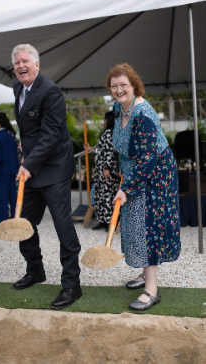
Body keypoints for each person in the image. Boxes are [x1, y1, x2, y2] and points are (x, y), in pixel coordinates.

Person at [12, 43, 81, 309]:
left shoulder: (51, 91)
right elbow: (29, 130)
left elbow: (51, 134)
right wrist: (24, 152)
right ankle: (35, 270)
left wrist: (29, 163)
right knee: (24, 224)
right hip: (31, 167)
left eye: (25, 61)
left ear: (37, 64)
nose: (21, 66)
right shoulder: (18, 88)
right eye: (17, 62)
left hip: (53, 169)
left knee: (63, 226)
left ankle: (72, 285)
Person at [108, 63, 180, 310]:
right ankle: (144, 273)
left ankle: (152, 290)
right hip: (134, 171)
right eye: (114, 86)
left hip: (155, 175)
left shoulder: (144, 114)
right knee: (135, 225)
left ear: (134, 86)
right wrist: (123, 175)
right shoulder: (119, 108)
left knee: (147, 226)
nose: (119, 90)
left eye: (124, 85)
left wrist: (127, 188)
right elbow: (125, 147)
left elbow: (147, 159)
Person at [83, 112, 120, 231]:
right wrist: (90, 148)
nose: (103, 121)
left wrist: (106, 168)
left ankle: (110, 221)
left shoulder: (110, 133)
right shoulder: (106, 133)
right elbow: (101, 150)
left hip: (106, 169)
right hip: (101, 169)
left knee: (108, 195)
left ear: (108, 120)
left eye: (105, 119)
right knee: (100, 195)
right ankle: (102, 220)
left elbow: (109, 152)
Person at [0, 112, 19, 222]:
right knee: (13, 199)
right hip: (12, 171)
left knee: (2, 201)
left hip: (2, 173)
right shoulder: (11, 136)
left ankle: (5, 227)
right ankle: (15, 223)